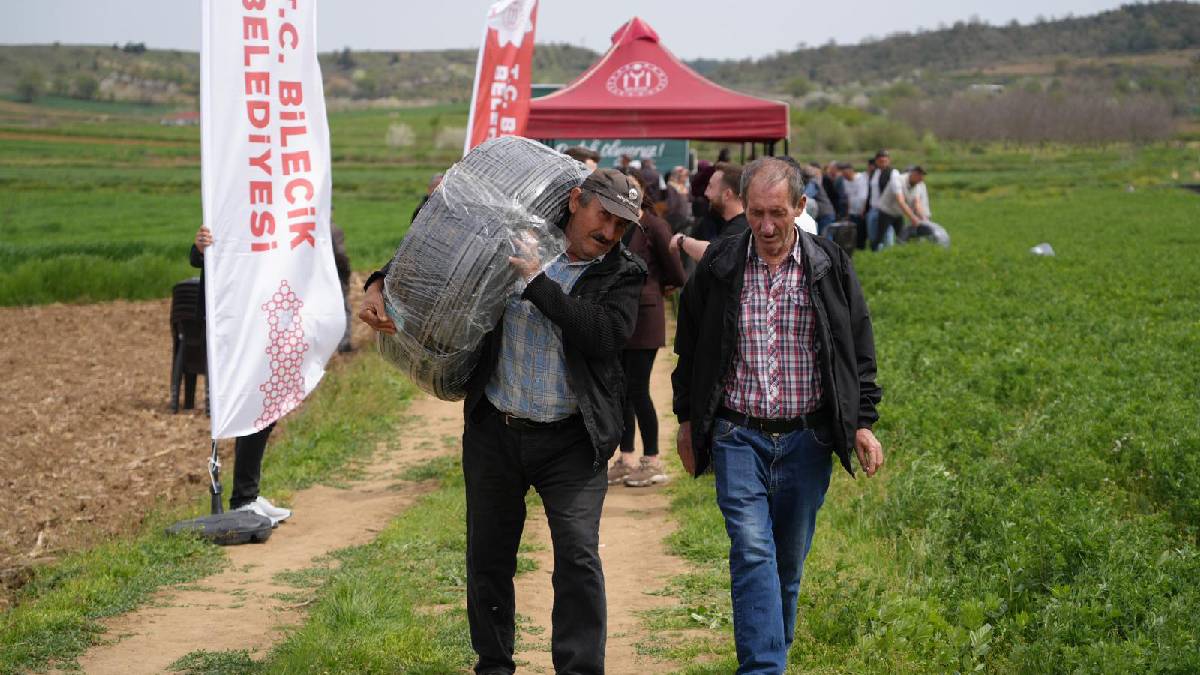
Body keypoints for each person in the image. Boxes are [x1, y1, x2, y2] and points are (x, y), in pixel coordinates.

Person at [360, 168, 646, 675]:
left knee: (578, 558)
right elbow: (438, 252)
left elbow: (603, 336)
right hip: (497, 429)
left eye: (622, 227)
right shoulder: (518, 238)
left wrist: (537, 283)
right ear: (576, 200)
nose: (610, 233)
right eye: (604, 217)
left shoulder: (622, 272)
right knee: (488, 557)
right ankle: (494, 664)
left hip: (572, 441)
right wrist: (381, 282)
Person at [671, 157, 884, 673]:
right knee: (750, 552)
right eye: (757, 213)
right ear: (744, 207)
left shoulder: (830, 264)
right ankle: (765, 668)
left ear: (800, 208)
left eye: (778, 213)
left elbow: (858, 348)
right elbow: (690, 349)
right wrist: (685, 421)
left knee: (786, 566)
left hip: (806, 440)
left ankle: (772, 648)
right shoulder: (720, 266)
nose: (767, 226)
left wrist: (862, 423)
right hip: (737, 434)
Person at [191, 226, 293, 526]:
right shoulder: (223, 208)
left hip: (259, 317)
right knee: (253, 403)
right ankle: (243, 499)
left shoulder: (263, 215)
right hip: (228, 323)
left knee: (266, 406)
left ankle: (248, 495)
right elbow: (198, 258)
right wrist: (199, 248)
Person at [608, 178, 687, 488]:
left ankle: (652, 460)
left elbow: (677, 272)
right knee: (621, 390)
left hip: (646, 317)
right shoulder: (620, 224)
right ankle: (626, 458)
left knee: (638, 389)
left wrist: (655, 290)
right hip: (620, 317)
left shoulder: (654, 226)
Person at [671, 162, 747, 263]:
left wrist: (682, 240)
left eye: (710, 187)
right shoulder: (733, 223)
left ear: (727, 194)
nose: (706, 193)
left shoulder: (741, 228)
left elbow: (714, 253)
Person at [868, 149, 920, 250]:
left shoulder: (893, 173)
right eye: (880, 161)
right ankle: (877, 254)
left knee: (887, 235)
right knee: (874, 235)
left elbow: (898, 193)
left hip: (886, 210)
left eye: (885, 161)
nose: (883, 163)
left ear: (889, 161)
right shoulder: (874, 172)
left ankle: (889, 254)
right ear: (876, 161)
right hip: (873, 209)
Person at [838, 161, 869, 250]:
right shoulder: (845, 181)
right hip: (852, 211)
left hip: (862, 211)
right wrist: (848, 213)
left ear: (851, 171)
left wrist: (863, 210)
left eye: (845, 173)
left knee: (862, 231)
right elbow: (848, 197)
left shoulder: (861, 178)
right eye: (843, 174)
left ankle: (862, 248)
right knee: (853, 231)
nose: (844, 176)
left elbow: (864, 197)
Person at [663, 165, 693, 232]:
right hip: (684, 215)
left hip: (675, 216)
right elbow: (690, 199)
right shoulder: (684, 186)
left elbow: (672, 203)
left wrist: (668, 215)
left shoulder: (671, 185)